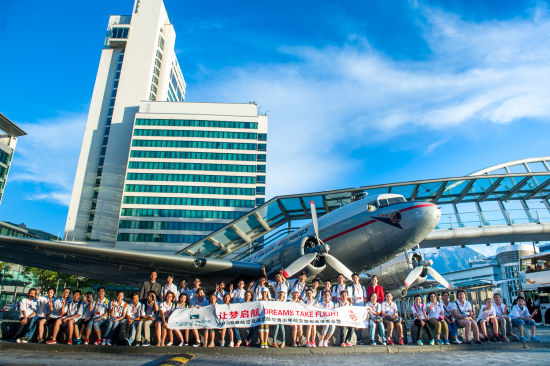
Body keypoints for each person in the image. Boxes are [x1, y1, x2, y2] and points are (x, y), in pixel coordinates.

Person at [347, 273, 366, 344]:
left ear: (358, 278)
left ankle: (360, 338)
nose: (355, 279)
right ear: (352, 279)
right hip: (355, 306)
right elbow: (350, 297)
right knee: (355, 322)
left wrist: (364, 306)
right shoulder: (351, 287)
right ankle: (356, 338)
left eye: (356, 277)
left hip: (361, 306)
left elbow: (365, 297)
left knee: (360, 322)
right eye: (353, 278)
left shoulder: (362, 287)